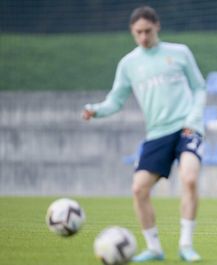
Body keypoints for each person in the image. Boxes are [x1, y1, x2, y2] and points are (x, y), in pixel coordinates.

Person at [82, 6, 206, 262]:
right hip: (157, 133)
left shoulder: (179, 53)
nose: (143, 37)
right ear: (132, 32)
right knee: (139, 189)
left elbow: (199, 88)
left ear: (157, 26)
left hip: (186, 127)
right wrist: (96, 110)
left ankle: (186, 246)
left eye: (147, 31)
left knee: (190, 179)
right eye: (138, 32)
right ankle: (154, 248)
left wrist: (193, 120)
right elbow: (115, 101)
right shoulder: (128, 64)